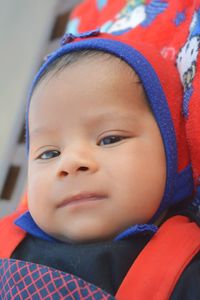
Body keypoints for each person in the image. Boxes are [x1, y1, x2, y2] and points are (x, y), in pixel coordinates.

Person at [0, 30, 200, 299]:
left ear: (173, 152)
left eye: (110, 139)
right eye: (49, 154)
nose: (70, 163)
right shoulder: (5, 239)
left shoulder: (183, 266)